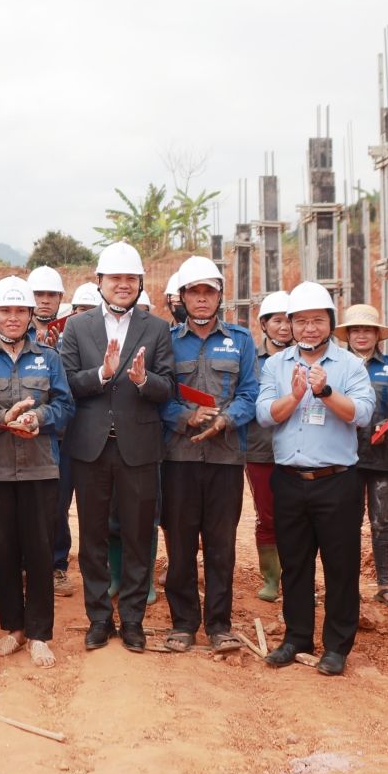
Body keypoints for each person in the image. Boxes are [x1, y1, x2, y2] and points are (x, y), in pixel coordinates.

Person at [60, 242, 175, 653]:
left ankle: (132, 620)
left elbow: (168, 386)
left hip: (138, 448)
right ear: (99, 282)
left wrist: (144, 380)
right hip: (91, 448)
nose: (123, 285)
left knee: (137, 535)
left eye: (130, 279)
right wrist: (102, 373)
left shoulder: (156, 329)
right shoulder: (78, 327)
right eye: (115, 278)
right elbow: (67, 382)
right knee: (91, 536)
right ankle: (98, 618)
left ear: (140, 283)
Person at [256, 281, 374, 676]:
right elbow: (264, 415)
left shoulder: (350, 365)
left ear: (330, 323)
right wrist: (293, 397)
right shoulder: (275, 365)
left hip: (337, 481)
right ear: (290, 324)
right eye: (301, 321)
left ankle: (337, 646)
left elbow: (361, 414)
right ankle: (297, 637)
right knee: (295, 563)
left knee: (341, 566)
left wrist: (324, 391)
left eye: (318, 320)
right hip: (289, 479)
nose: (309, 328)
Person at [158, 256, 258, 653]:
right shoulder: (166, 340)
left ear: (220, 296)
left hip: (225, 458)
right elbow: (158, 396)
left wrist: (226, 420)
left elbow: (250, 393)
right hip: (178, 458)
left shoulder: (241, 340)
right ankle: (183, 624)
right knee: (180, 543)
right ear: (182, 297)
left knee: (221, 545)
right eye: (194, 292)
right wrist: (186, 416)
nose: (202, 299)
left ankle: (219, 625)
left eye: (209, 292)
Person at [0, 276, 74, 667]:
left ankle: (40, 634)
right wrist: (4, 418)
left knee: (39, 551)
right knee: (3, 551)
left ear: (31, 315)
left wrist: (37, 418)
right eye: (5, 311)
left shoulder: (49, 358)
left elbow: (65, 406)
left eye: (20, 311)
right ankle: (14, 630)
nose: (12, 318)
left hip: (40, 469)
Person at [334, 303, 388, 610]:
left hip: (383, 459)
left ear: (377, 335)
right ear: (348, 335)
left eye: (367, 330)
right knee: (346, 524)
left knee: (381, 522)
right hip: (344, 458)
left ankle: (384, 585)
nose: (361, 335)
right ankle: (347, 585)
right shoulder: (337, 366)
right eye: (355, 330)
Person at [246, 291, 291, 603]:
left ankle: (295, 576)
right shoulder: (252, 359)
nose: (284, 327)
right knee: (267, 515)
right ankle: (271, 579)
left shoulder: (305, 359)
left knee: (297, 516)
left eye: (289, 320)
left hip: (298, 449)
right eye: (277, 320)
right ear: (264, 324)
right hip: (260, 448)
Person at [27, 266, 66, 347]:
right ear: (28, 296)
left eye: (52, 294)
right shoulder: (16, 333)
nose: (45, 301)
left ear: (60, 297)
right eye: (39, 294)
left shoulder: (70, 333)